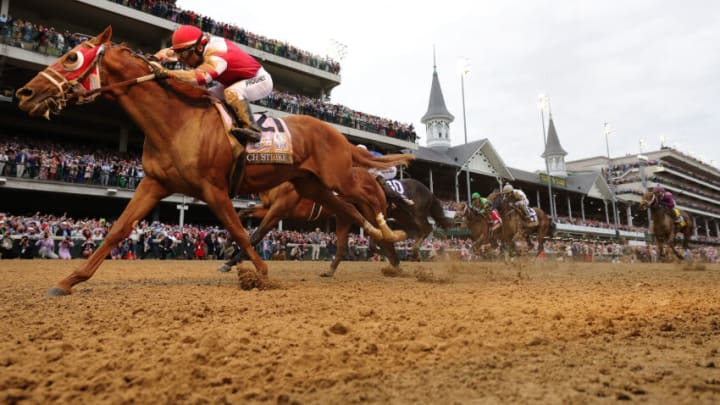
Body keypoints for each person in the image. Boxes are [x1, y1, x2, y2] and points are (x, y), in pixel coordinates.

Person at [152, 25, 273, 142]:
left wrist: (168, 73)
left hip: (260, 79)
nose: (182, 60)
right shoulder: (196, 47)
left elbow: (199, 78)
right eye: (179, 55)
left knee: (232, 92)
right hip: (235, 81)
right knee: (204, 95)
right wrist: (155, 58)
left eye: (184, 55)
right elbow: (171, 52)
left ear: (199, 48)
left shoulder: (217, 55)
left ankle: (252, 130)